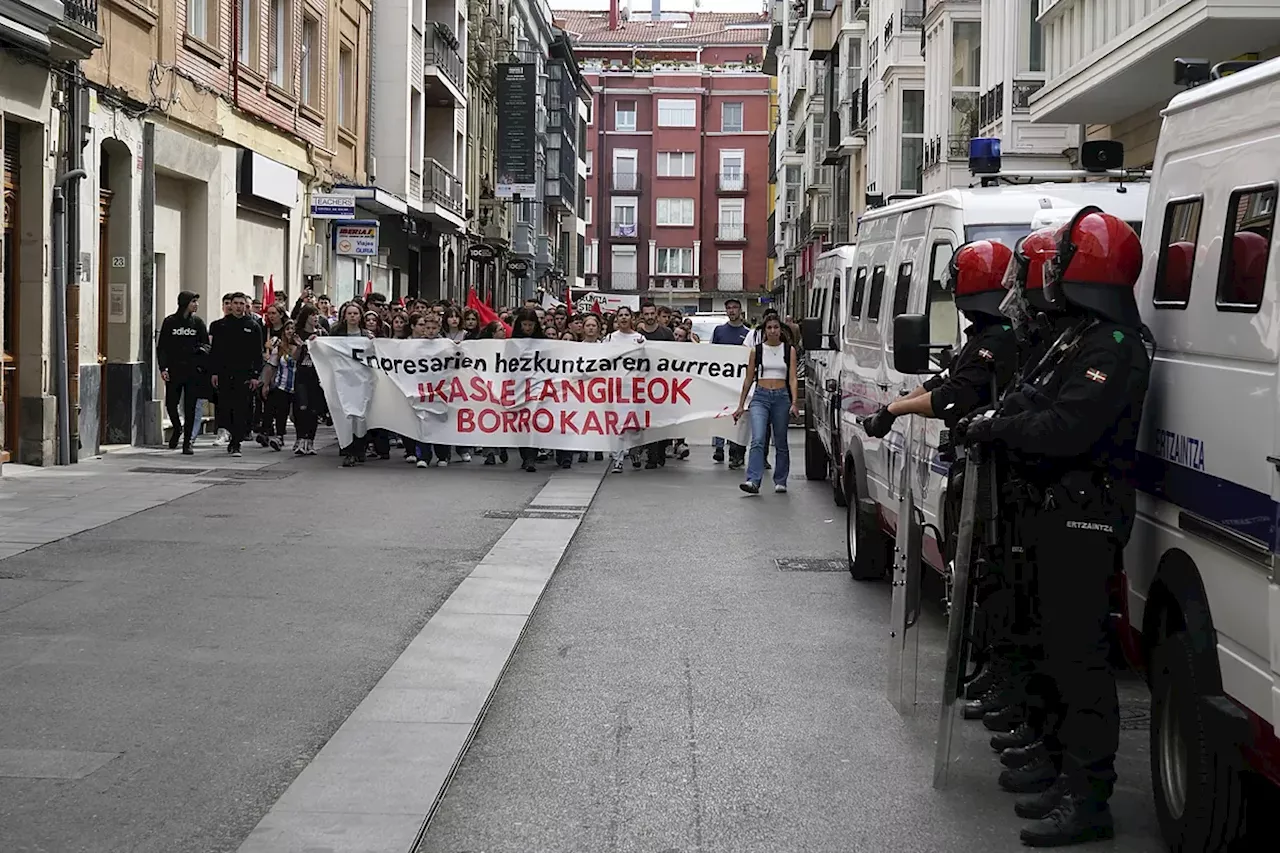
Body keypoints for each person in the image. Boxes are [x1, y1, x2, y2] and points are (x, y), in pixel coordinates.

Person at [954, 209, 1151, 847]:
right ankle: (1060, 766)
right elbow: (1032, 399)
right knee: (1051, 647)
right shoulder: (1079, 338)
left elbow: (1067, 427)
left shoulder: (1112, 347)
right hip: (1053, 511)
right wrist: (1000, 419)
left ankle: (1088, 797)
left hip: (1083, 516)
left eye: (1063, 262)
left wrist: (999, 426)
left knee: (1079, 659)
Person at [861, 240, 1019, 437]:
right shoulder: (984, 334)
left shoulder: (997, 341)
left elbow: (950, 398)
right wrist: (891, 408)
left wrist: (895, 410)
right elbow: (943, 379)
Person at [733, 315, 798, 494]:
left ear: (780, 330)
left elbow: (793, 378)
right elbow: (748, 379)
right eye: (769, 328)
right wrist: (741, 405)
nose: (772, 331)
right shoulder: (757, 351)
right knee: (758, 439)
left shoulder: (788, 350)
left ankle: (781, 479)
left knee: (780, 440)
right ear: (764, 330)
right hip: (760, 397)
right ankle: (753, 480)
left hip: (781, 397)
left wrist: (794, 402)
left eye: (775, 327)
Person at [209, 292, 264, 458]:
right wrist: (214, 372)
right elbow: (215, 352)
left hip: (245, 374)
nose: (239, 307)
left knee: (241, 409)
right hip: (225, 373)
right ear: (230, 305)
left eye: (242, 303)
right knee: (226, 408)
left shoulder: (253, 326)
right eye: (236, 303)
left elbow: (257, 353)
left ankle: (236, 443)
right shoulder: (220, 326)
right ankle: (229, 433)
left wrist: (256, 375)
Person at [157, 290, 209, 454]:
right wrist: (163, 368)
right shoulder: (170, 322)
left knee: (190, 407)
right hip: (174, 370)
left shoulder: (198, 323)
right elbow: (162, 347)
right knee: (171, 404)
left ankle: (188, 443)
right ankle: (177, 429)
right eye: (193, 301)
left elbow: (206, 344)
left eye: (196, 301)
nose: (196, 305)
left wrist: (200, 353)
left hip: (192, 371)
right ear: (185, 303)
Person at [604, 307, 646, 473]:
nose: (623, 318)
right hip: (615, 387)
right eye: (620, 315)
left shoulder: (640, 339)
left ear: (632, 318)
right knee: (618, 424)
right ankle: (618, 459)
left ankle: (635, 451)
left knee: (635, 424)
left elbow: (647, 362)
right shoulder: (609, 339)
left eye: (626, 315)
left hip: (634, 388)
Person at [711, 298, 751, 467]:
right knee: (720, 414)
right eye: (729, 308)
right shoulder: (719, 331)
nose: (732, 310)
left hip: (740, 383)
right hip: (722, 380)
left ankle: (736, 451)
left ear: (740, 310)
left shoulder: (748, 333)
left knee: (737, 416)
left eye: (735, 307)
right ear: (726, 311)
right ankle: (719, 447)